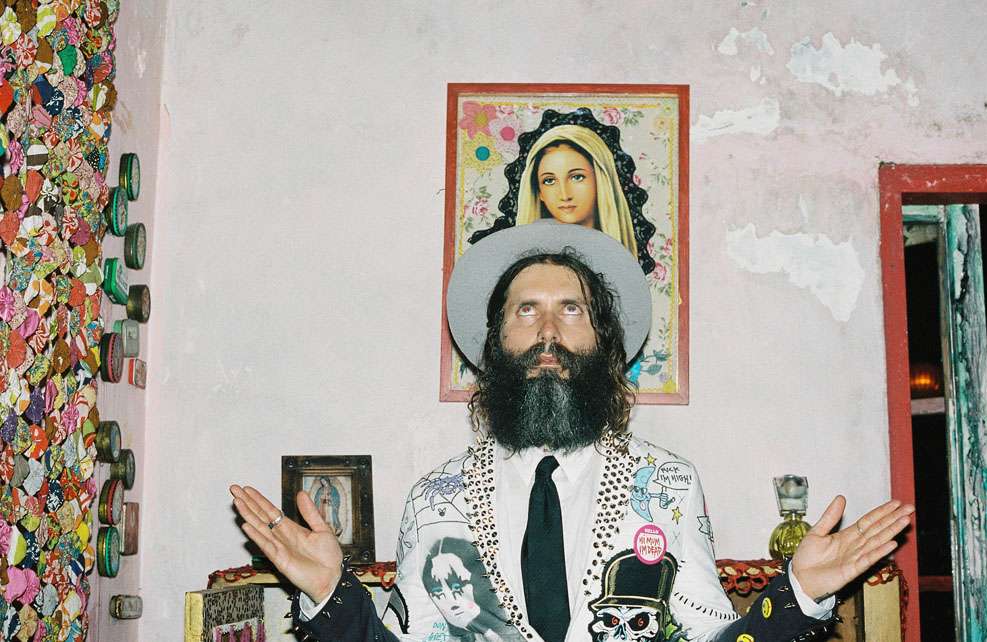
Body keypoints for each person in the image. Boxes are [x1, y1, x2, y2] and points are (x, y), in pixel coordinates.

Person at [230, 221, 914, 642]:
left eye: (573, 311)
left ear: (604, 344)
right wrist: (331, 595)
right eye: (526, 312)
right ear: (495, 344)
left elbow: (712, 639)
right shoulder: (434, 498)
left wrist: (798, 596)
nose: (549, 333)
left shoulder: (668, 485)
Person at [514, 124, 639, 262]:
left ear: (600, 180)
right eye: (549, 181)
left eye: (577, 177)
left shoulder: (619, 259)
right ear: (539, 192)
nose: (564, 195)